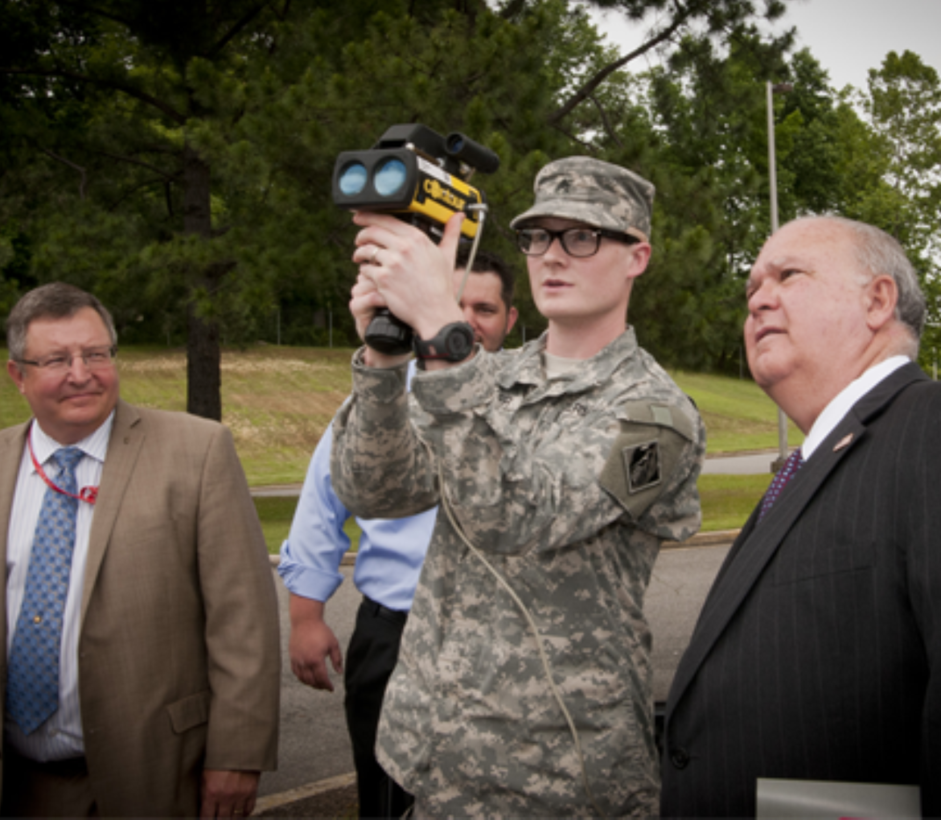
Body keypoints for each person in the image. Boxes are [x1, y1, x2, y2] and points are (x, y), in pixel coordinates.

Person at [330, 157, 706, 818]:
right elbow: (378, 492)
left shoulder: (659, 418)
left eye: (581, 237)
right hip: (431, 751)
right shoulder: (488, 376)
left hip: (553, 775)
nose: (552, 256)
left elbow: (520, 516)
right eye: (537, 237)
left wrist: (446, 344)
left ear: (635, 257)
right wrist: (385, 359)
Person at [662, 216, 941, 819]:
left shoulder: (929, 428)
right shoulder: (811, 463)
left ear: (877, 300)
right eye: (752, 289)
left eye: (788, 275)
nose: (759, 297)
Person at [1, 283, 281, 820]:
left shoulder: (196, 452)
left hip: (155, 772)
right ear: (19, 375)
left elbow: (242, 619)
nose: (82, 373)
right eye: (57, 359)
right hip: (18, 784)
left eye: (96, 354)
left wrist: (238, 755)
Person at [278, 248, 518, 820]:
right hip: (393, 636)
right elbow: (322, 499)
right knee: (387, 797)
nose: (465, 319)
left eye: (483, 307)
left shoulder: (529, 402)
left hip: (500, 641)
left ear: (510, 319)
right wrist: (306, 618)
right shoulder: (379, 397)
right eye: (450, 302)